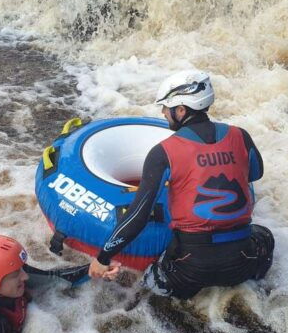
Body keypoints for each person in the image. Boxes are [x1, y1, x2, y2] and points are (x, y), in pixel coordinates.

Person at [88, 70, 274, 299]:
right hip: (243, 263)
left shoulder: (163, 152)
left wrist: (102, 257)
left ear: (181, 110)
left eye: (166, 107)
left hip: (192, 269)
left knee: (149, 281)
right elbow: (255, 174)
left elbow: (138, 215)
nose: (163, 112)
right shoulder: (241, 136)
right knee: (264, 235)